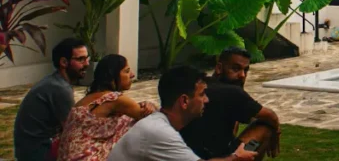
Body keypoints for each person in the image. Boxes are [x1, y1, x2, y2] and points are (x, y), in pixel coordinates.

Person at [107, 66, 255, 161]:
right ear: (184, 101)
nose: (207, 100)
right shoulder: (159, 131)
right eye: (202, 94)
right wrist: (236, 157)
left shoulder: (160, 124)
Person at [181, 48, 280, 160]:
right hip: (214, 157)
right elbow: (271, 116)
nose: (242, 75)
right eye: (235, 69)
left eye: (245, 70)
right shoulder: (233, 93)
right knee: (265, 126)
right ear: (219, 68)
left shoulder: (205, 85)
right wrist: (276, 133)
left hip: (190, 154)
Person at [57, 54, 156, 161]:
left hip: (67, 157)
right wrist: (150, 105)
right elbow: (148, 116)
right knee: (140, 123)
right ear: (112, 77)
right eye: (127, 71)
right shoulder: (114, 98)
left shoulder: (88, 99)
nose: (132, 75)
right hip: (88, 158)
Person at [14, 37, 90, 161]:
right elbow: (73, 130)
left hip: (29, 149)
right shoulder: (59, 88)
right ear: (64, 62)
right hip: (38, 152)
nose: (87, 63)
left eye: (87, 58)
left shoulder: (55, 82)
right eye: (81, 59)